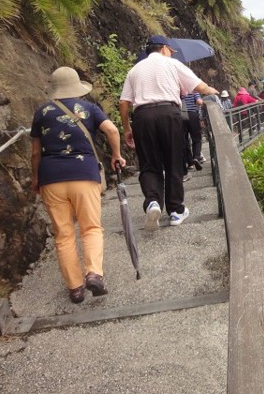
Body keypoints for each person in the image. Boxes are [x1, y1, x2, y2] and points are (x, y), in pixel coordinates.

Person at [31, 66, 126, 304]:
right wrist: (116, 154)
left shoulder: (41, 112)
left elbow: (35, 153)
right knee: (91, 227)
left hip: (51, 178)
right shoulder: (89, 108)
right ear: (77, 86)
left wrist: (36, 178)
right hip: (84, 174)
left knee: (63, 235)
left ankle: (75, 288)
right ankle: (93, 274)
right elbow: (112, 130)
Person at [119, 35, 218, 230]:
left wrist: (127, 128)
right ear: (164, 48)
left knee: (149, 164)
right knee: (174, 161)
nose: (171, 54)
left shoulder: (135, 70)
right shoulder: (172, 64)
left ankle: (152, 202)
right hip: (168, 113)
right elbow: (199, 87)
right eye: (171, 51)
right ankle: (175, 211)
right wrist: (212, 91)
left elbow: (124, 102)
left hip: (142, 117)